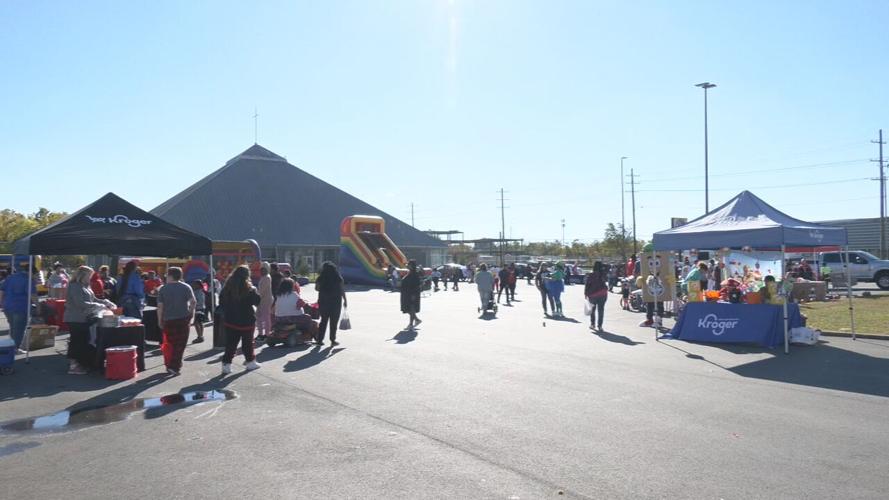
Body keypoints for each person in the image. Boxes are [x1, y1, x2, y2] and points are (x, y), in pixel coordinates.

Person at [64, 266, 115, 374]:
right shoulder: (74, 286)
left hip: (84, 318)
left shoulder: (85, 285)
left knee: (83, 341)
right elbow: (80, 303)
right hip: (75, 318)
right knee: (76, 342)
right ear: (82, 275)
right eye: (89, 275)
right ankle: (74, 366)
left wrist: (105, 302)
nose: (90, 278)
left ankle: (80, 363)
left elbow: (93, 299)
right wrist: (98, 305)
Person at [220, 265, 262, 374]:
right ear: (247, 275)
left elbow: (221, 303)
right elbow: (257, 302)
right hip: (246, 320)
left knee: (231, 343)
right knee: (247, 343)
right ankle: (250, 362)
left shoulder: (227, 288)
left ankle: (226, 364)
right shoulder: (250, 289)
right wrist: (255, 291)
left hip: (230, 320)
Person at [156, 267, 196, 376]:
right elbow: (193, 302)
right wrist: (191, 313)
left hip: (168, 320)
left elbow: (160, 307)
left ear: (170, 275)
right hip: (183, 319)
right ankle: (175, 366)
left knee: (170, 344)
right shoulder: (186, 287)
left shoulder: (163, 289)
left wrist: (159, 320)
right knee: (180, 344)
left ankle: (171, 365)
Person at [0, 264, 36, 352]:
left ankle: (12, 347)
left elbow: (1, 290)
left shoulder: (10, 277)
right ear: (31, 272)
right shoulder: (28, 280)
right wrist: (38, 306)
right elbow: (33, 295)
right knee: (19, 329)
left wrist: (1, 304)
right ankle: (15, 348)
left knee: (13, 328)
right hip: (20, 307)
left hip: (8, 306)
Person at [315, 261, 347, 345]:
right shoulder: (338, 278)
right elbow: (342, 290)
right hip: (336, 302)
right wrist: (345, 300)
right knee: (334, 322)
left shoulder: (320, 278)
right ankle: (332, 340)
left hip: (323, 302)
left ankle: (319, 340)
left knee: (323, 321)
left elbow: (317, 288)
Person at [584, 261, 608, 332]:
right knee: (601, 310)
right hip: (603, 294)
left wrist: (585, 293)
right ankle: (600, 326)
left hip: (593, 294)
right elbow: (608, 268)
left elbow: (587, 284)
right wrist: (603, 266)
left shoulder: (591, 274)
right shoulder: (603, 274)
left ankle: (592, 324)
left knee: (592, 310)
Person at [400, 260, 423, 330]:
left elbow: (416, 285)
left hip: (411, 293)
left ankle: (410, 324)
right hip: (406, 293)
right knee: (406, 308)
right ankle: (417, 320)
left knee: (411, 308)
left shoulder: (415, 274)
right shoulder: (409, 273)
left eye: (409, 265)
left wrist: (413, 295)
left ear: (412, 266)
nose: (407, 266)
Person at [256, 265, 273, 342]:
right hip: (261, 300)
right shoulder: (264, 277)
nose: (261, 271)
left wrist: (255, 296)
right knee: (259, 317)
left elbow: (261, 291)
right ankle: (260, 334)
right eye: (261, 269)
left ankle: (266, 334)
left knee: (266, 318)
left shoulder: (266, 278)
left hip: (265, 300)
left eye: (263, 269)